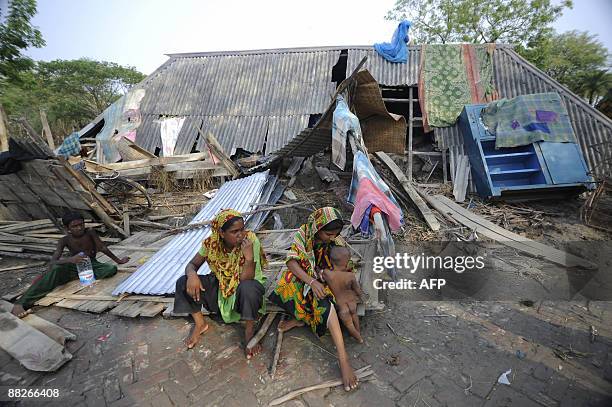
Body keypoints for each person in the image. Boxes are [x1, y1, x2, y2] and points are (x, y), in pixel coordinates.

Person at [269, 207, 359, 391]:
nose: (332, 238)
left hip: (324, 278)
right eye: (328, 234)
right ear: (318, 227)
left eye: (335, 234)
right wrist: (311, 280)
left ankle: (343, 360)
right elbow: (292, 262)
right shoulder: (303, 234)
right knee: (287, 288)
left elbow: (343, 265)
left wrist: (327, 276)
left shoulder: (335, 240)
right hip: (304, 277)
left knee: (326, 305)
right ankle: (301, 318)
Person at [173, 209, 267, 359]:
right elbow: (192, 264)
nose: (240, 234)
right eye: (234, 231)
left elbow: (246, 279)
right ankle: (200, 324)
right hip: (222, 289)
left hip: (243, 291)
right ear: (221, 233)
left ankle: (249, 331)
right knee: (183, 282)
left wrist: (248, 258)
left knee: (250, 288)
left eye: (242, 229)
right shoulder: (211, 244)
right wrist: (192, 275)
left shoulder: (250, 241)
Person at [11, 212, 129, 317]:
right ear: (67, 228)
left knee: (111, 269)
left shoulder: (90, 233)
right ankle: (21, 303)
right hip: (73, 266)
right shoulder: (64, 240)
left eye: (81, 225)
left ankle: (74, 276)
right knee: (55, 270)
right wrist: (71, 259)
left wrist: (118, 261)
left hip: (90, 264)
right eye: (74, 226)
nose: (79, 228)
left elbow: (102, 247)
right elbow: (53, 262)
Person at [321, 246, 365, 344]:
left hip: (342, 306)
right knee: (354, 315)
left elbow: (320, 273)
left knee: (349, 324)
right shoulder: (350, 276)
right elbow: (357, 290)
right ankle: (359, 332)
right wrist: (362, 296)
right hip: (352, 302)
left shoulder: (327, 274)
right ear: (347, 262)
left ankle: (359, 338)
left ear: (331, 261)